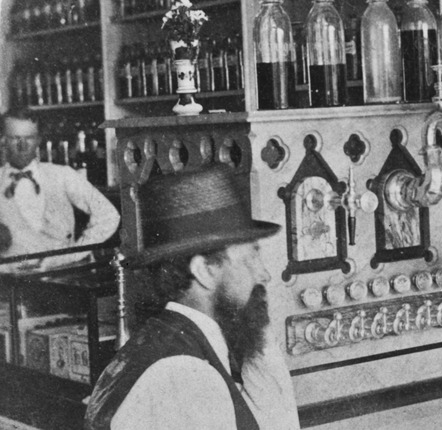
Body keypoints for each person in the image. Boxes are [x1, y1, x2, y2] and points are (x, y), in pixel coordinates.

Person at [84, 166, 300, 430]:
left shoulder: (173, 343)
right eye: (251, 257)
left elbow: (271, 420)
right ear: (205, 271)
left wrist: (258, 328)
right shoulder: (186, 375)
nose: (264, 274)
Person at [0, 108, 120, 270]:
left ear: (39, 140)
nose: (23, 145)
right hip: (8, 280)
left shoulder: (62, 175)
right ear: (3, 140)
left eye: (29, 137)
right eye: (15, 138)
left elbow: (109, 216)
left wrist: (74, 253)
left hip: (60, 276)